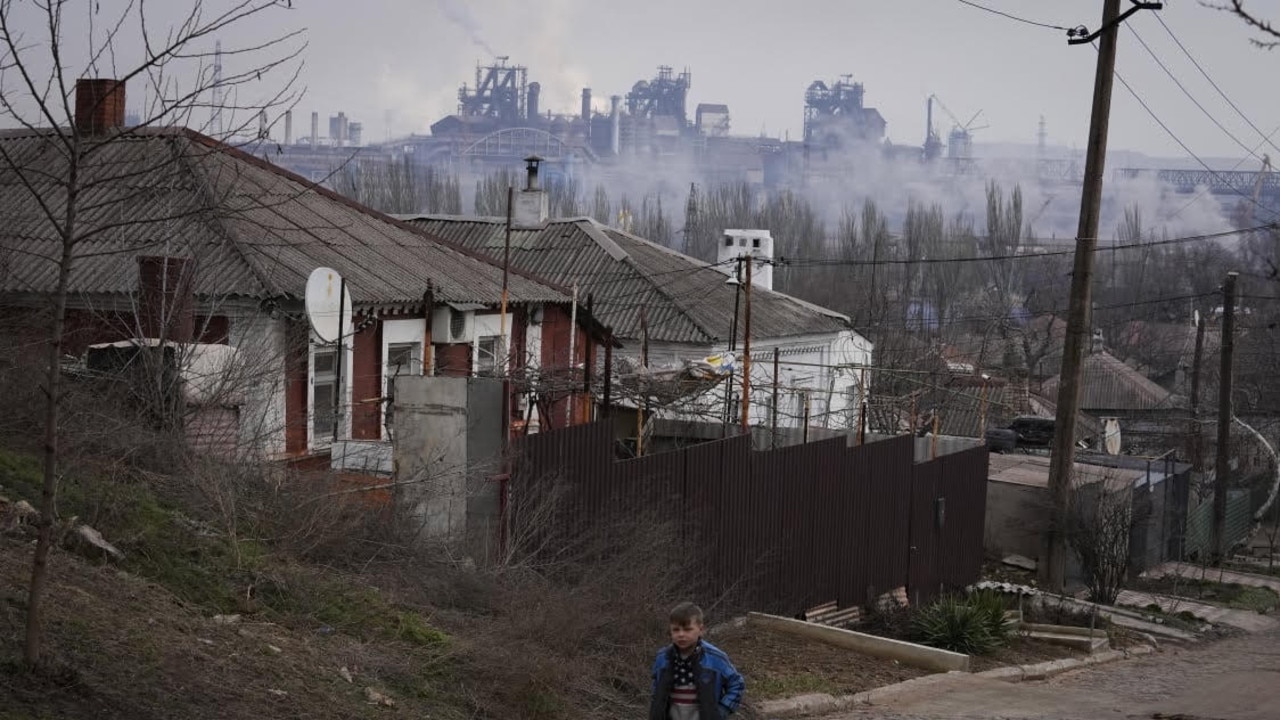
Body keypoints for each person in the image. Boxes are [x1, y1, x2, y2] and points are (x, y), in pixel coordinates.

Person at [649, 601, 744, 720]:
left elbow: (737, 684)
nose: (681, 634)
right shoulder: (663, 658)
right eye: (676, 630)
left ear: (701, 629)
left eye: (688, 629)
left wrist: (722, 710)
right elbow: (655, 685)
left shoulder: (716, 658)